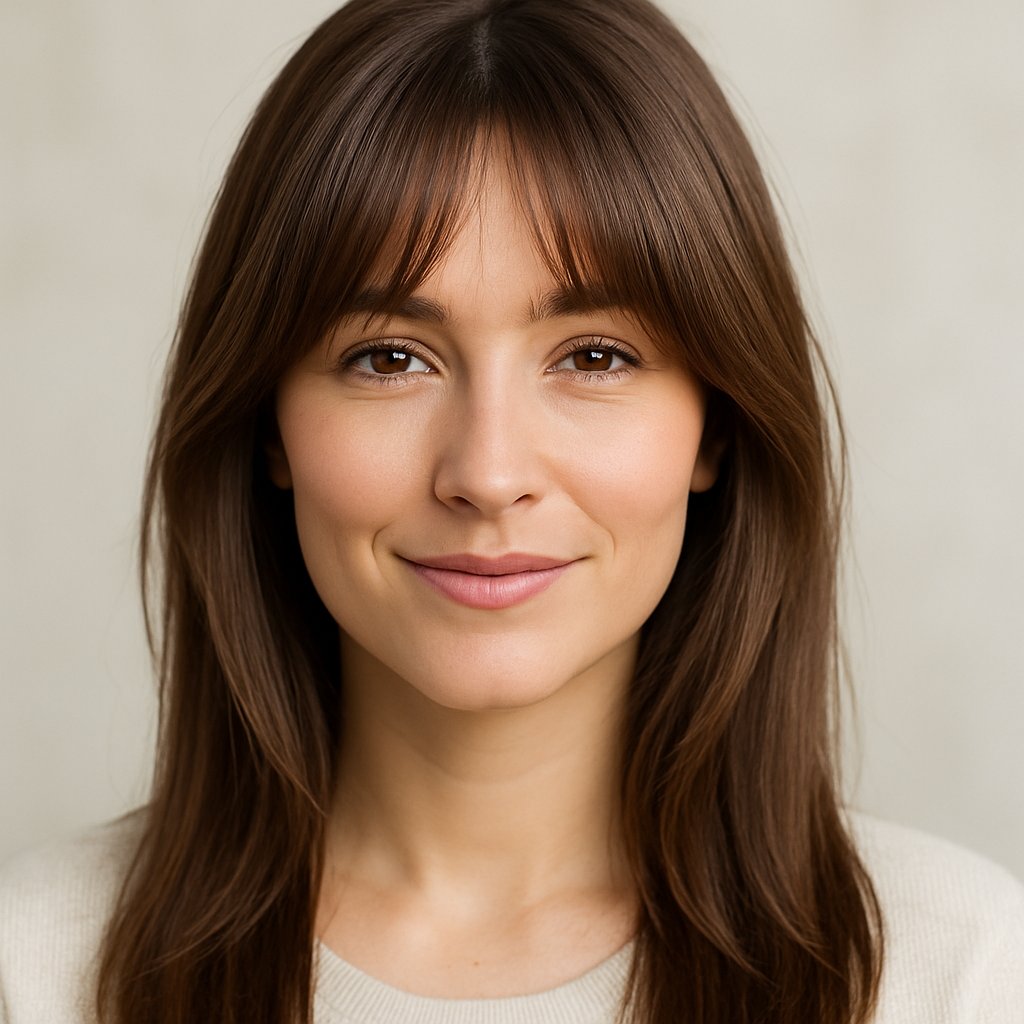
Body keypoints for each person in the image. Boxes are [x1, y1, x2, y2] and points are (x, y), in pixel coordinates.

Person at [1, 0, 1022, 1021]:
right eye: (389, 358)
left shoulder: (959, 976)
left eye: (594, 357)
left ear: (716, 427)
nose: (488, 474)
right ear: (268, 425)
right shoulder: (37, 972)